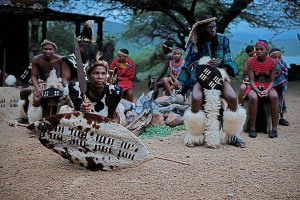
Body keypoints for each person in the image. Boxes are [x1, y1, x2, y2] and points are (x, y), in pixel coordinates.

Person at [177, 15, 246, 148]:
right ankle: (196, 135)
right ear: (202, 29)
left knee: (232, 98)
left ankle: (232, 135)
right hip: (201, 76)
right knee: (196, 99)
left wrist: (220, 63)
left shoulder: (223, 39)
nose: (213, 30)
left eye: (214, 27)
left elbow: (229, 58)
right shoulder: (195, 43)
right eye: (210, 28)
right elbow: (188, 63)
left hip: (220, 75)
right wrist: (204, 64)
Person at [68, 57, 125, 124]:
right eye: (96, 73)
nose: (100, 77)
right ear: (88, 76)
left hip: (105, 128)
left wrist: (102, 125)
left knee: (120, 107)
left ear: (106, 77)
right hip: (80, 125)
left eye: (103, 74)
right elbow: (69, 115)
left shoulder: (113, 92)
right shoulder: (77, 89)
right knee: (65, 108)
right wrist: (80, 112)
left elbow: (116, 119)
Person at [244, 40, 279, 138]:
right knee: (253, 97)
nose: (259, 51)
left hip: (268, 85)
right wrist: (257, 90)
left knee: (274, 96)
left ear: (266, 50)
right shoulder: (251, 61)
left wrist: (267, 90)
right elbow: (251, 80)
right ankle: (252, 128)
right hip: (254, 85)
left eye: (261, 49)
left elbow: (272, 81)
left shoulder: (272, 62)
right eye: (257, 49)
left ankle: (274, 129)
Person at [25, 40, 63, 124]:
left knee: (63, 99)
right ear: (42, 49)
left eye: (50, 49)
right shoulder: (37, 59)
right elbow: (33, 76)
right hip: (41, 83)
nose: (47, 51)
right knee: (37, 99)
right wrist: (38, 88)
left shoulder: (60, 60)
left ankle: (60, 123)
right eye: (45, 49)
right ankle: (34, 123)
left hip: (57, 83)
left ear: (54, 50)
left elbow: (65, 75)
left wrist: (65, 87)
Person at [269, 48, 289, 126]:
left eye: (279, 57)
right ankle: (273, 117)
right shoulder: (268, 64)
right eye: (274, 58)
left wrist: (278, 69)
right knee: (273, 100)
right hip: (271, 85)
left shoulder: (283, 64)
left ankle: (282, 117)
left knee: (281, 99)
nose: (277, 59)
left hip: (281, 85)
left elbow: (285, 74)